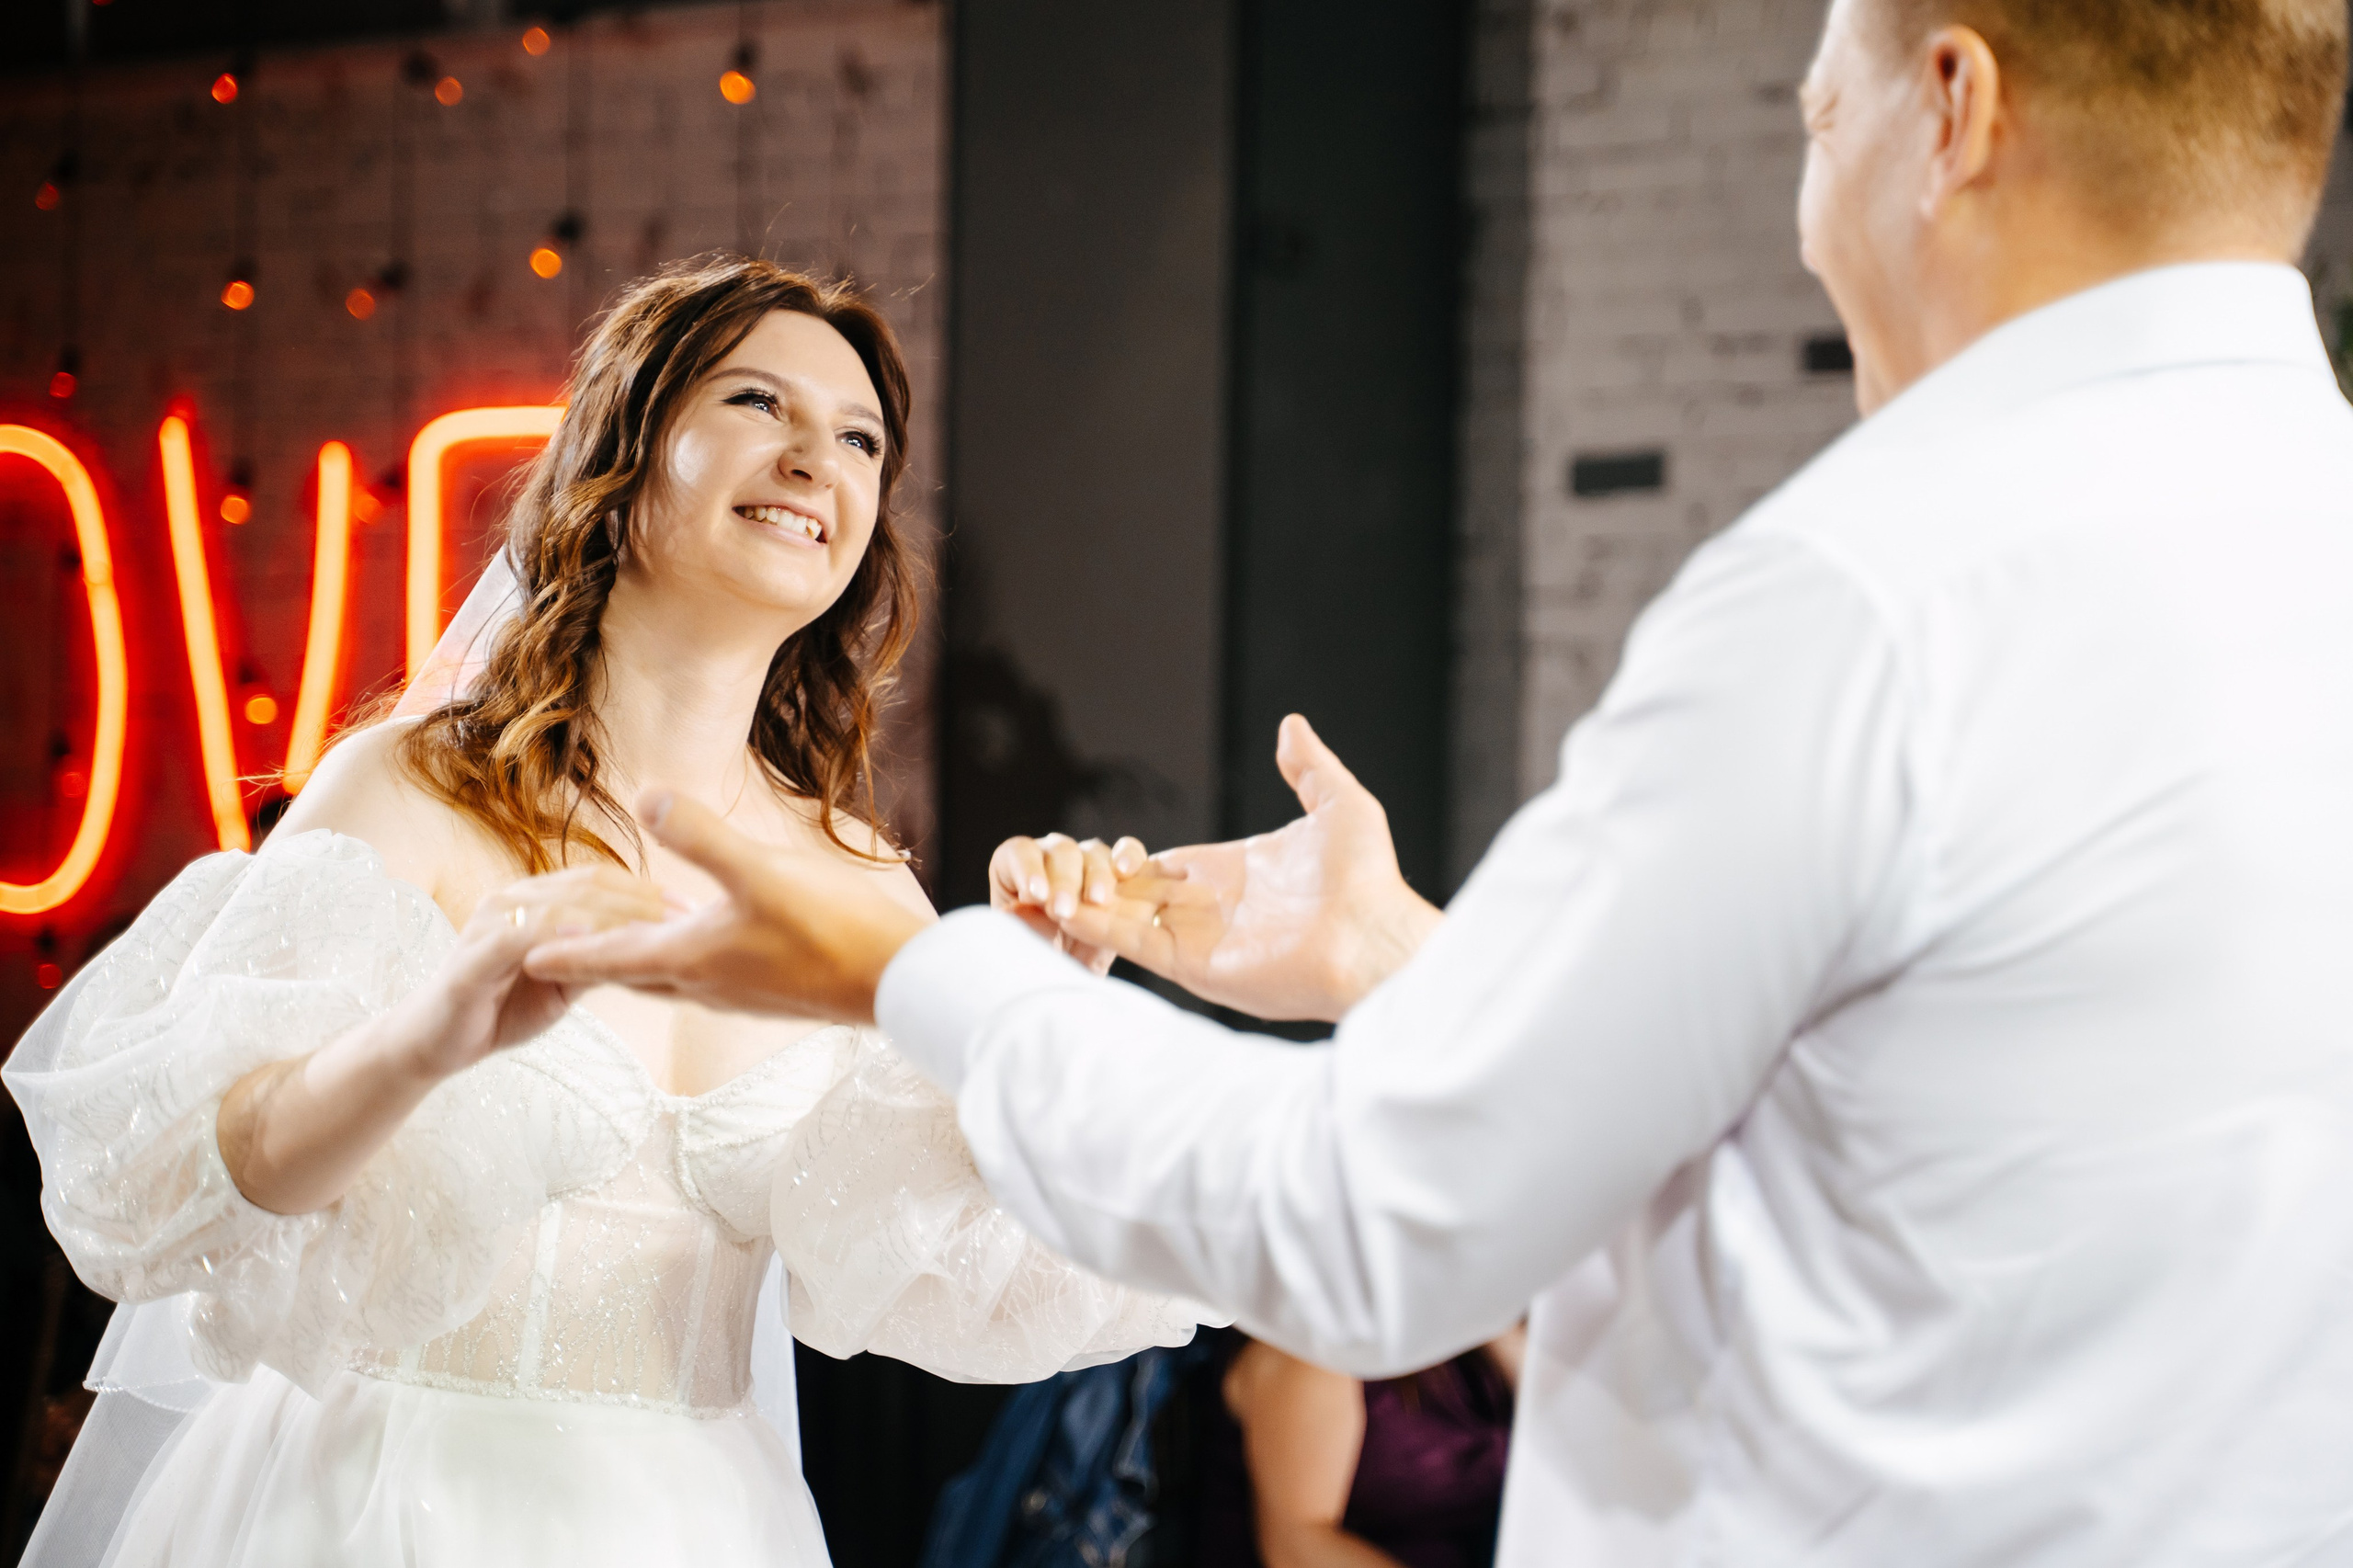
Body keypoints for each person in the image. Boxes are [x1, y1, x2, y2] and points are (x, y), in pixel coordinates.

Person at [525, 0, 2353, 1560]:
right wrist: (1416, 966)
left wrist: (911, 971)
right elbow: (1912, 1120)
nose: (1806, 225)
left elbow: (1371, 1225)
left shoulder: (1867, 595)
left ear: (1949, 109)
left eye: (1815, 123)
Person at [5, 254, 1205, 1568]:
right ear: (623, 454)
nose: (816, 459)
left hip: (704, 1522)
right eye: (758, 402)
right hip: (372, 1504)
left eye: (859, 438)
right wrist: (429, 1036)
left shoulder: (861, 881)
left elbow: (948, 1277)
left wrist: (1034, 1014)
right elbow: (184, 1191)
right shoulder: (410, 789)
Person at [1201, 1329, 1520, 1568]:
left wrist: (1494, 1321)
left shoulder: (1469, 1336)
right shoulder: (1312, 1352)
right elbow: (1295, 1548)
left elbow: (1545, 1424)